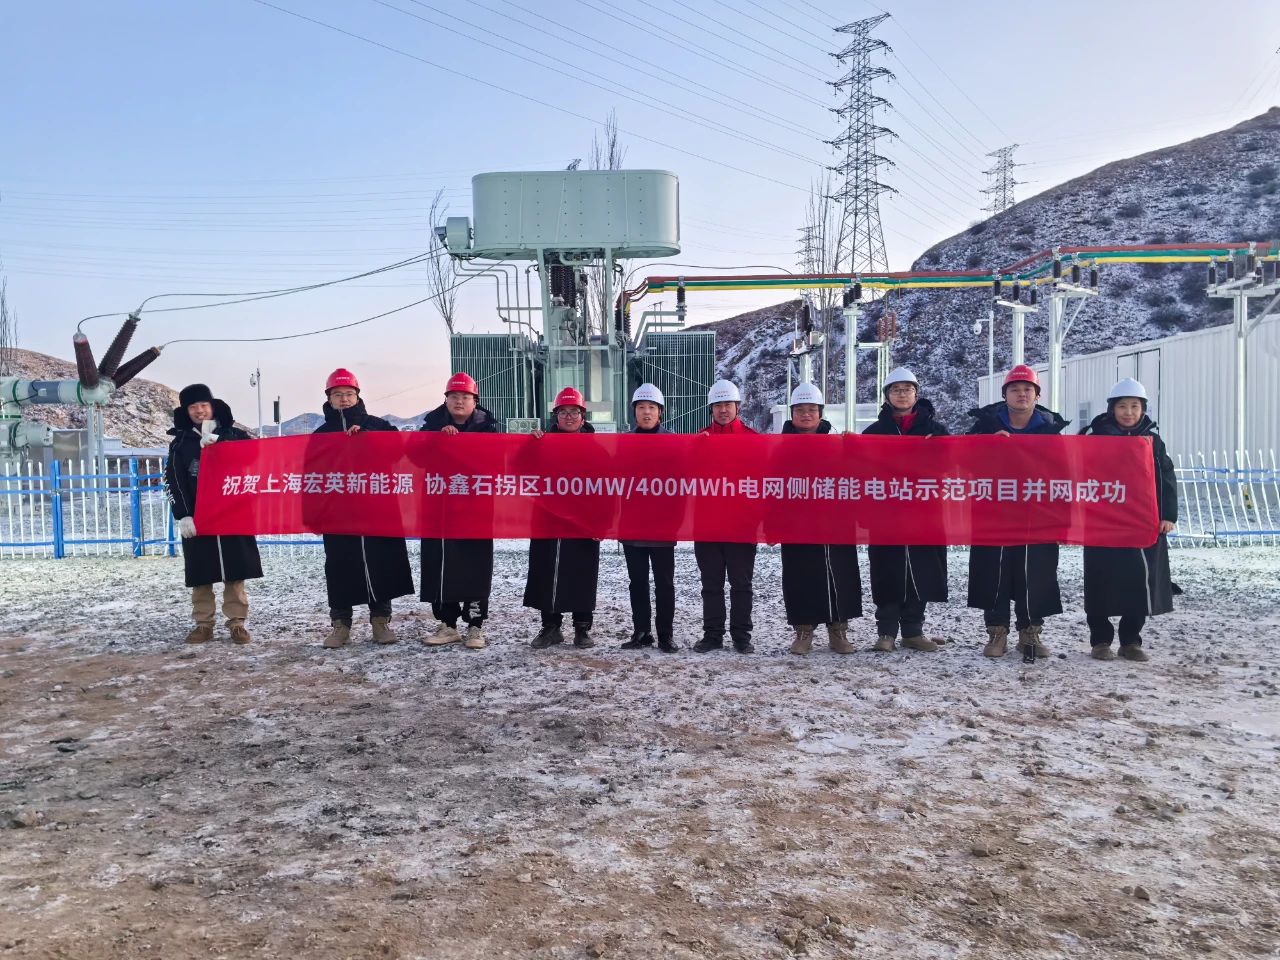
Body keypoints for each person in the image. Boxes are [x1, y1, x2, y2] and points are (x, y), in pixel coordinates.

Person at [966, 364, 1069, 659]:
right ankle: (996, 632)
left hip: (1038, 515)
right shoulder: (985, 427)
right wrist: (986, 445)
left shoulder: (1050, 431)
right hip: (993, 513)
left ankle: (1030, 632)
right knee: (994, 572)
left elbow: (1063, 476)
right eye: (1015, 389)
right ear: (1005, 395)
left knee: (1035, 573)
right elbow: (960, 460)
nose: (1021, 394)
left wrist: (1062, 519)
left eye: (1027, 389)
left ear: (1037, 395)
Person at [313, 369, 415, 648]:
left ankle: (380, 621)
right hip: (337, 513)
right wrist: (313, 514)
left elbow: (399, 452)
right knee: (339, 566)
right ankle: (340, 624)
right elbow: (312, 475)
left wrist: (370, 438)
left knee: (380, 562)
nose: (344, 399)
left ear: (358, 396)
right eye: (338, 394)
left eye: (349, 394)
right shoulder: (321, 434)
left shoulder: (378, 425)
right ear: (329, 399)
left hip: (377, 509)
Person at [1080, 378, 1177, 662]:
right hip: (1102, 522)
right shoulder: (1095, 438)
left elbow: (1166, 478)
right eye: (1122, 406)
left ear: (1143, 409)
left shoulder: (1152, 441)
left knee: (1139, 581)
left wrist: (1167, 514)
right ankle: (1100, 641)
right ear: (1112, 409)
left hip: (1141, 522)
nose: (1129, 412)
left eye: (1135, 406)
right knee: (1100, 580)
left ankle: (1131, 640)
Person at [164, 383, 263, 645]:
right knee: (201, 573)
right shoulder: (180, 443)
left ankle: (237, 623)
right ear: (186, 411)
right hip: (199, 518)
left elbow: (255, 456)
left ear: (212, 406)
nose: (199, 411)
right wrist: (184, 515)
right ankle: (203, 624)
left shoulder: (234, 433)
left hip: (233, 513)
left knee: (235, 571)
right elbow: (174, 480)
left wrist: (224, 443)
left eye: (203, 405)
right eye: (193, 407)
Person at [861, 367, 950, 653]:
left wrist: (938, 450)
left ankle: (913, 631)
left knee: (920, 570)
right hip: (885, 515)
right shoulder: (874, 433)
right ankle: (886, 632)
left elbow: (953, 465)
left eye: (907, 389)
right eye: (896, 390)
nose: (902, 394)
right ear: (887, 396)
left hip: (924, 512)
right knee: (887, 571)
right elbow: (859, 472)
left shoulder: (936, 431)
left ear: (916, 394)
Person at [778, 383, 862, 655]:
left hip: (835, 522)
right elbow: (771, 486)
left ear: (820, 413)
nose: (806, 415)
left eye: (811, 410)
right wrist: (771, 523)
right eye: (800, 410)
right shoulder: (779, 447)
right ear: (792, 414)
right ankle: (803, 632)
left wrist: (856, 446)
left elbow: (856, 477)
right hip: (796, 523)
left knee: (840, 573)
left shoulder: (837, 443)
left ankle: (838, 631)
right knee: (800, 576)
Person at [419, 372, 499, 651]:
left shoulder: (490, 430)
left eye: (465, 396)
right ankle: (447, 623)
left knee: (476, 565)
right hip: (439, 508)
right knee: (441, 563)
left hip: (476, 509)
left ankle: (475, 625)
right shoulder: (430, 427)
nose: (459, 401)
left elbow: (500, 462)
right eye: (454, 396)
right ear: (446, 400)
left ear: (475, 401)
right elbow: (413, 457)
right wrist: (436, 440)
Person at [525, 387, 600, 650]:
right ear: (555, 415)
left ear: (583, 416)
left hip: (584, 521)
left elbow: (608, 486)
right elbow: (519, 468)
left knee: (582, 572)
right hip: (547, 518)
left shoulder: (596, 448)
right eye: (563, 412)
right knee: (547, 571)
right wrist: (530, 445)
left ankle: (582, 627)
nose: (569, 417)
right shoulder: (542, 443)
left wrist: (602, 522)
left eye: (574, 412)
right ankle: (550, 626)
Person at [693, 379, 758, 654]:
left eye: (728, 404)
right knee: (711, 584)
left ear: (737, 407)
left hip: (741, 526)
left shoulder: (753, 440)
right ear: (711, 409)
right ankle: (713, 635)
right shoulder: (700, 439)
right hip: (707, 525)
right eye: (718, 405)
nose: (723, 410)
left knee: (741, 584)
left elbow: (763, 482)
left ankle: (742, 636)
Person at [620, 383, 679, 653]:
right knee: (638, 583)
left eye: (652, 408)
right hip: (632, 525)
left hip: (663, 526)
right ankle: (641, 631)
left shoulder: (673, 443)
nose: (646, 412)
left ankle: (665, 634)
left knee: (665, 583)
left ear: (660, 412)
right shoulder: (624, 442)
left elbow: (684, 482)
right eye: (641, 407)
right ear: (634, 412)